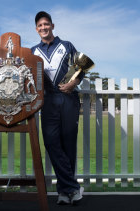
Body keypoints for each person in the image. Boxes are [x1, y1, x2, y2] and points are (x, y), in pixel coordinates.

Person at [31, 11, 84, 205]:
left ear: (52, 26)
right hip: (48, 100)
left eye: (46, 24)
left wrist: (74, 83)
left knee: (68, 144)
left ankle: (64, 191)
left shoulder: (67, 45)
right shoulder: (32, 52)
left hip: (68, 97)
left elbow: (82, 67)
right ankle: (72, 187)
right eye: (40, 26)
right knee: (51, 143)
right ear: (36, 30)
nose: (43, 28)